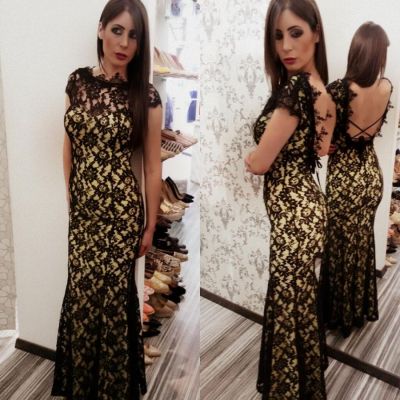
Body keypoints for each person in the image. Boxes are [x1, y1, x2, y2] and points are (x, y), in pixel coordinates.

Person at [51, 0, 162, 398]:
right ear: (101, 29)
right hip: (84, 214)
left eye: (134, 35)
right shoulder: (77, 82)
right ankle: (82, 386)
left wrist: (149, 225)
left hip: (121, 215)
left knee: (113, 304)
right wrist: (72, 198)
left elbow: (152, 167)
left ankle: (112, 390)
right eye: (117, 30)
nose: (124, 43)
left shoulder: (146, 96)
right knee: (82, 299)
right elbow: (69, 146)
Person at [244, 0, 336, 398]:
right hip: (309, 209)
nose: (285, 46)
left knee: (286, 303)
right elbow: (322, 150)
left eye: (295, 33)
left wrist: (251, 156)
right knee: (297, 302)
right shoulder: (323, 91)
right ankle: (304, 386)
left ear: (316, 32)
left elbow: (261, 163)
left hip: (294, 215)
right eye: (278, 36)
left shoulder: (296, 89)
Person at [320, 22, 392, 338]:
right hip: (370, 176)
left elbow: (323, 145)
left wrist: (327, 144)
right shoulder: (386, 87)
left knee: (338, 247)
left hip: (345, 178)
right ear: (376, 56)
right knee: (361, 244)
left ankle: (338, 317)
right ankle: (357, 311)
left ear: (356, 52)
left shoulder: (337, 90)